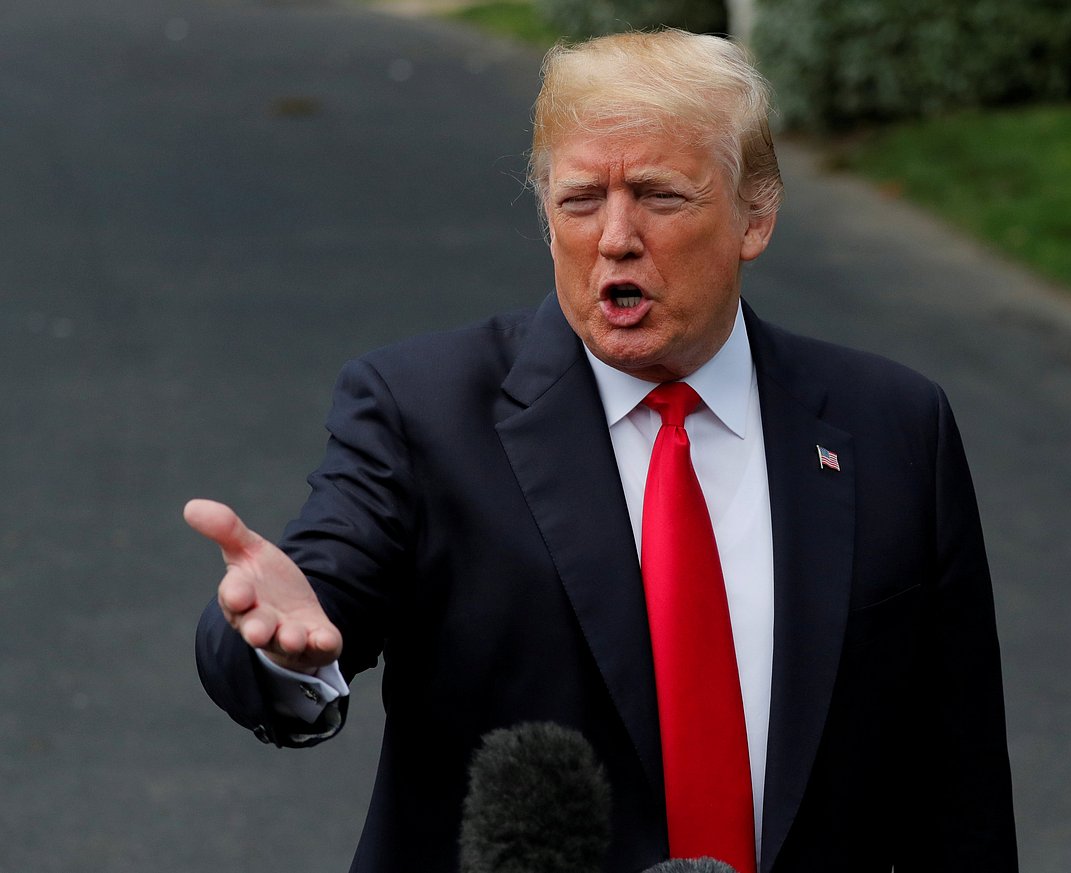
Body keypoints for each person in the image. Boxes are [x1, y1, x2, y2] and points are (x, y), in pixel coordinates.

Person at [188, 29, 1018, 873]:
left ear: (755, 215)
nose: (615, 237)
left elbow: (961, 781)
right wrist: (271, 644)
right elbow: (318, 591)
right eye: (581, 199)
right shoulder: (421, 411)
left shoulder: (893, 426)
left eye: (659, 195)